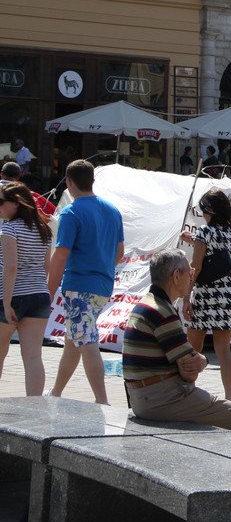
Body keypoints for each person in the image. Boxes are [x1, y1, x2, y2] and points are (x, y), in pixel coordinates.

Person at [122, 249, 231, 434]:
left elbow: (187, 366)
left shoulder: (146, 304)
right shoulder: (161, 312)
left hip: (142, 397)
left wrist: (195, 361)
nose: (192, 276)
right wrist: (203, 360)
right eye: (190, 272)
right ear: (176, 276)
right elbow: (189, 372)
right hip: (163, 399)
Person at [48, 160, 124, 405]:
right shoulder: (112, 210)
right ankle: (56, 393)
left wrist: (48, 291)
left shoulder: (71, 212)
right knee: (74, 341)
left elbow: (60, 255)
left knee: (87, 341)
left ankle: (102, 401)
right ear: (93, 180)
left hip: (79, 285)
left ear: (69, 182)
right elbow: (120, 253)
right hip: (102, 285)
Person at [179, 188, 231, 401]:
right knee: (224, 351)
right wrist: (192, 239)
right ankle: (230, 398)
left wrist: (186, 297)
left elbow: (195, 266)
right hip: (228, 296)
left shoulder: (205, 232)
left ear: (210, 211)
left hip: (206, 295)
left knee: (192, 348)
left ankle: (188, 393)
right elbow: (217, 252)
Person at [0, 182, 52, 395]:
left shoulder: (8, 228)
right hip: (39, 295)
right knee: (33, 356)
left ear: (17, 204)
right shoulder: (44, 230)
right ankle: (35, 409)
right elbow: (47, 266)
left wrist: (6, 301)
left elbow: (11, 267)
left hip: (13, 296)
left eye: (1, 202)